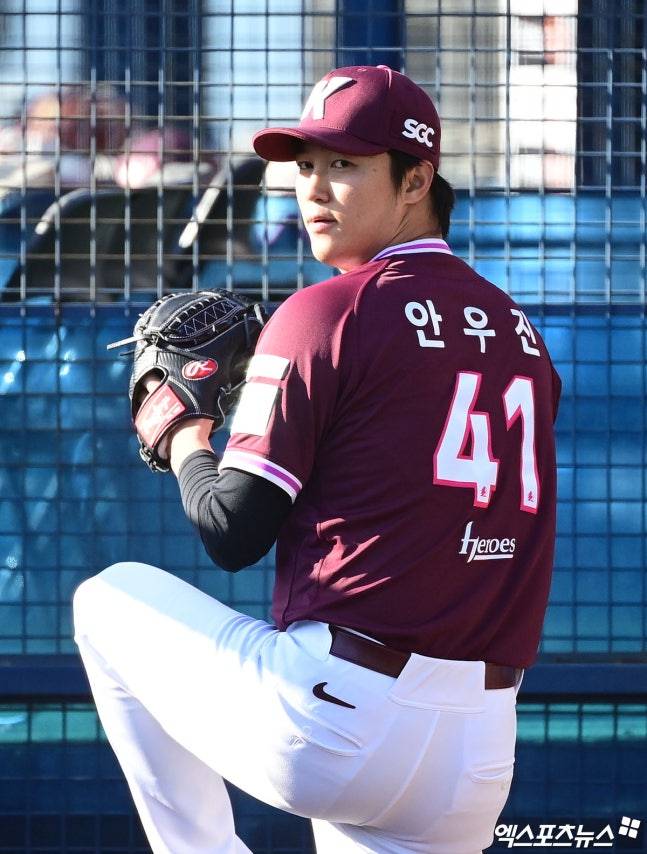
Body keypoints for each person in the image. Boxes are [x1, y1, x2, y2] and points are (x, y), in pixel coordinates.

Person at [73, 65, 561, 854]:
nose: (314, 188)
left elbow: (231, 529)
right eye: (304, 165)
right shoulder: (520, 332)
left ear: (416, 179)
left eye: (344, 163)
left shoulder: (325, 310)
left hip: (337, 722)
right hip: (476, 755)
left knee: (107, 601)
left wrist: (182, 427)